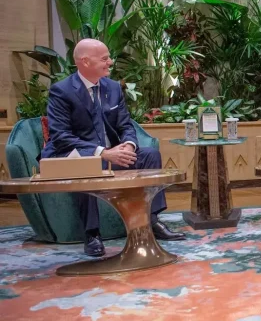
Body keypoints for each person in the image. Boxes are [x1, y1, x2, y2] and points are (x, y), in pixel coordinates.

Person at [41, 39, 184, 257]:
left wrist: (128, 145)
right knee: (86, 166)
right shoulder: (62, 91)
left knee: (149, 155)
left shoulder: (113, 88)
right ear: (85, 62)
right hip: (81, 155)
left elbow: (125, 125)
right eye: (105, 59)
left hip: (113, 154)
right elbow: (61, 137)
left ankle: (151, 220)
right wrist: (104, 153)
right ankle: (92, 233)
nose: (110, 62)